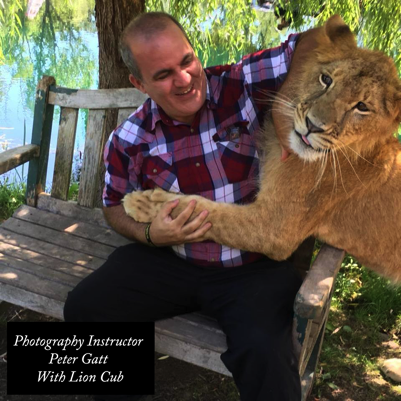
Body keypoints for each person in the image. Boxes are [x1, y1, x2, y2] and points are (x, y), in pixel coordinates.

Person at [64, 11, 304, 401]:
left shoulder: (239, 85)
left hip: (253, 267)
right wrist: (148, 233)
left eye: (187, 60)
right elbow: (112, 206)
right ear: (138, 83)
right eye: (163, 74)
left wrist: (280, 111)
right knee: (86, 307)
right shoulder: (128, 139)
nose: (185, 79)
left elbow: (310, 45)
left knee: (265, 354)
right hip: (173, 261)